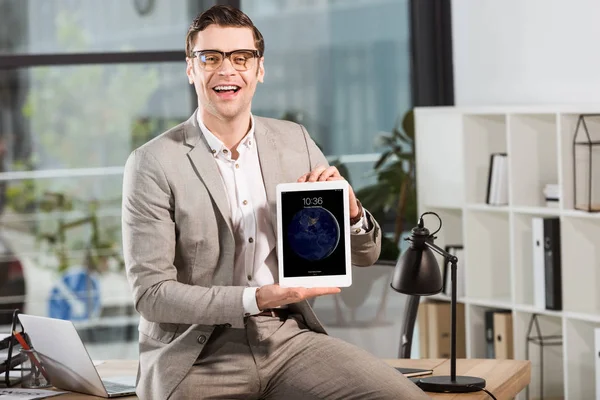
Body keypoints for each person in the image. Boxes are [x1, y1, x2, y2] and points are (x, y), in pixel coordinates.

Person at [122, 5, 428, 400]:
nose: (226, 70)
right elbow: (151, 295)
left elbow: (365, 257)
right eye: (210, 58)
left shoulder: (294, 141)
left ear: (259, 69)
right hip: (196, 352)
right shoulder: (152, 162)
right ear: (191, 69)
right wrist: (256, 298)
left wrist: (350, 213)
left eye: (241, 57)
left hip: (286, 338)